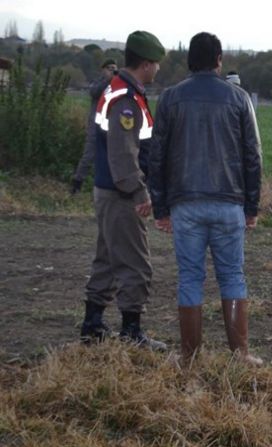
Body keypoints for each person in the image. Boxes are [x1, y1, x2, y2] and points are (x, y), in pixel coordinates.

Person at [148, 32, 263, 364]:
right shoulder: (239, 98)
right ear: (219, 60)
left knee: (190, 277)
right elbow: (252, 156)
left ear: (188, 60)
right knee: (232, 276)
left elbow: (157, 156)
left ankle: (189, 356)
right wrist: (251, 207)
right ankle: (240, 355)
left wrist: (161, 207)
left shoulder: (169, 99)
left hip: (185, 205)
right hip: (229, 205)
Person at [79, 31, 167, 351]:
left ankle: (93, 325)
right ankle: (131, 332)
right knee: (135, 263)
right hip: (121, 195)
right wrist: (139, 192)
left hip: (107, 190)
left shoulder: (117, 90)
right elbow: (123, 153)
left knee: (106, 259)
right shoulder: (126, 100)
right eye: (156, 64)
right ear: (145, 64)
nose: (157, 69)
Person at [70, 58, 118, 195]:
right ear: (102, 70)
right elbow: (94, 92)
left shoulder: (116, 84)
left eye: (114, 68)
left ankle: (107, 186)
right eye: (109, 68)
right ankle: (76, 185)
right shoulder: (99, 82)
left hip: (110, 125)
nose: (112, 71)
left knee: (111, 156)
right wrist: (108, 80)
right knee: (88, 155)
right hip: (95, 124)